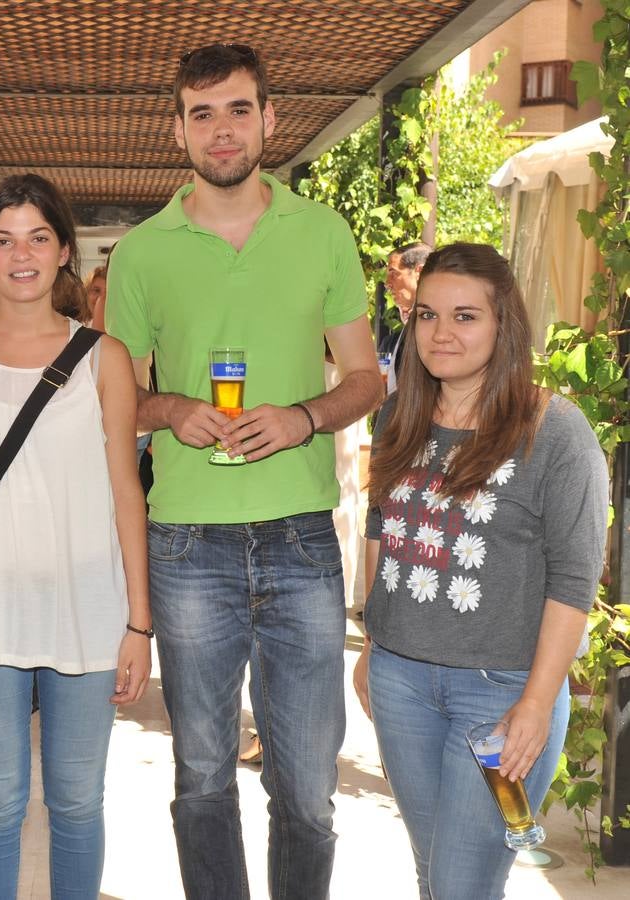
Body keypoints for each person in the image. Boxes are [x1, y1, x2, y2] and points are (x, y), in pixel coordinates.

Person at [106, 43, 383, 899]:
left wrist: (304, 415)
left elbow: (369, 377)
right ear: (178, 130)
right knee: (201, 782)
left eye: (237, 110)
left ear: (269, 119)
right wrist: (174, 410)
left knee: (306, 790)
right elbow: (121, 403)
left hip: (301, 536)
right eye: (202, 114)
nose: (221, 130)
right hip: (187, 543)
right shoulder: (143, 253)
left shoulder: (323, 233)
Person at [0, 173, 152, 900]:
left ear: (63, 252)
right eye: (5, 239)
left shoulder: (104, 358)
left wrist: (140, 622)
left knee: (78, 804)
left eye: (38, 238)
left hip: (87, 607)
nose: (22, 255)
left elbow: (125, 493)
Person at [353, 243, 607, 898]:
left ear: (504, 325)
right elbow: (384, 528)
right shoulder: (397, 417)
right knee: (434, 873)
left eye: (466, 316)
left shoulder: (555, 432)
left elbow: (575, 582)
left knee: (463, 884)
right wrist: (373, 644)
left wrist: (535, 703)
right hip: (401, 684)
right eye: (429, 315)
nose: (443, 333)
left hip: (501, 698)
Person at [379, 241, 431, 394]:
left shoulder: (433, 329)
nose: (387, 283)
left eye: (394, 273)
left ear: (419, 273)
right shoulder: (393, 340)